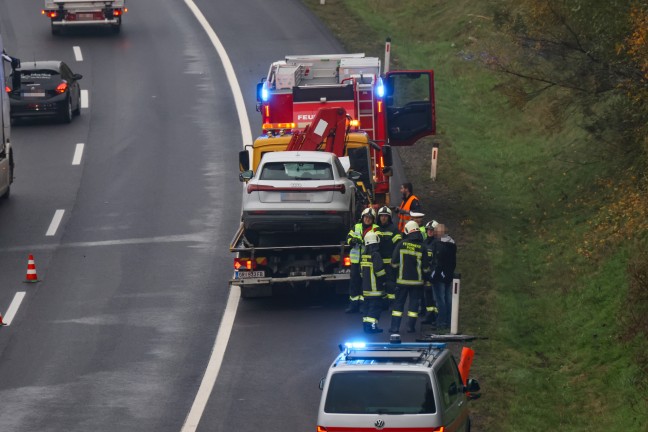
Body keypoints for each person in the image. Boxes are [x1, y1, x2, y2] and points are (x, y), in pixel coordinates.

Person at [389, 220, 431, 333]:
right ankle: (410, 327)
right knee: (413, 306)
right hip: (417, 283)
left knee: (398, 305)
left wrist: (393, 277)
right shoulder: (422, 247)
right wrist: (427, 280)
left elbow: (393, 263)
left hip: (402, 281)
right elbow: (426, 268)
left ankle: (394, 328)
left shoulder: (401, 244)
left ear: (407, 231)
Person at [345, 207, 378, 313]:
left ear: (373, 219)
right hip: (355, 261)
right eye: (366, 217)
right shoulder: (356, 227)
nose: (367, 219)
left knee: (366, 284)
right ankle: (353, 305)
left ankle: (364, 306)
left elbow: (377, 241)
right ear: (362, 217)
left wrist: (363, 241)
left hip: (368, 261)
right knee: (354, 283)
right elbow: (348, 237)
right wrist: (352, 240)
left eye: (370, 218)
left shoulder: (376, 228)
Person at [430, 223, 457, 330]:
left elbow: (438, 262)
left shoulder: (439, 244)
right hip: (448, 275)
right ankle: (448, 321)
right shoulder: (452, 243)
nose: (434, 233)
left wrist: (432, 276)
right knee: (448, 299)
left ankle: (441, 322)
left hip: (439, 276)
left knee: (440, 300)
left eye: (436, 231)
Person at [360, 231, 388, 333]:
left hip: (366, 289)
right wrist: (384, 280)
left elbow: (361, 272)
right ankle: (372, 328)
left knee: (366, 309)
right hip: (375, 289)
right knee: (375, 309)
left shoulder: (364, 255)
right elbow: (379, 271)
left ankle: (366, 327)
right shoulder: (375, 255)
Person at [375, 206, 401, 303]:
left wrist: (394, 260)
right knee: (379, 282)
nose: (383, 218)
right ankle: (381, 302)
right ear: (379, 217)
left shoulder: (394, 229)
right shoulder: (375, 228)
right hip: (378, 261)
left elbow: (397, 246)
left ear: (389, 217)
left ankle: (391, 303)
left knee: (391, 283)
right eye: (382, 216)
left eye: (386, 216)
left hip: (390, 262)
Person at [421, 220, 440, 325]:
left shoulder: (437, 243)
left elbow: (437, 261)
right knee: (428, 298)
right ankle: (429, 317)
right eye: (428, 230)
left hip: (434, 275)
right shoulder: (425, 242)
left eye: (432, 230)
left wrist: (432, 274)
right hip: (426, 275)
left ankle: (437, 318)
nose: (429, 232)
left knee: (435, 298)